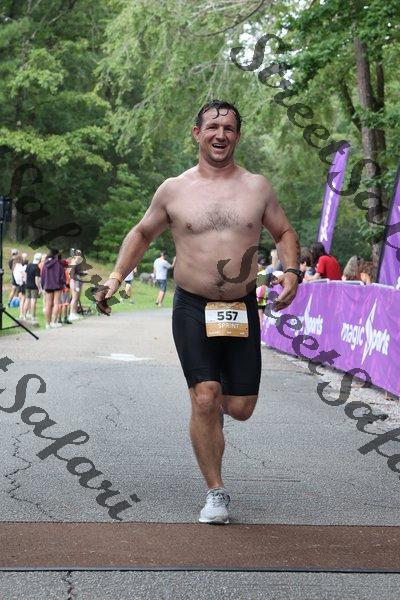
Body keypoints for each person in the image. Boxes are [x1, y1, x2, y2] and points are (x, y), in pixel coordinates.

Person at [95, 99, 300, 525]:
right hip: (192, 305)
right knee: (205, 396)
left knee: (240, 407)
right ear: (197, 133)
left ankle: (213, 411)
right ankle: (216, 491)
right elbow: (142, 233)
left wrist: (293, 272)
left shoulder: (257, 187)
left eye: (228, 128)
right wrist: (115, 277)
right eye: (212, 127)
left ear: (237, 136)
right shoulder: (174, 190)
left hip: (241, 307)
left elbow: (283, 231)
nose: (220, 134)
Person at [41, 248, 65, 329]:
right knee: (56, 304)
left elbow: (42, 275)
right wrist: (63, 284)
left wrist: (43, 286)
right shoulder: (59, 263)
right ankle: (53, 322)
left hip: (47, 285)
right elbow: (62, 276)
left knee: (48, 304)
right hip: (57, 285)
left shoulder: (45, 263)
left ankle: (47, 324)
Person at [22, 252, 42, 324]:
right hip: (34, 287)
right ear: (39, 260)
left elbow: (25, 275)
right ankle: (32, 316)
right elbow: (37, 280)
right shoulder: (37, 268)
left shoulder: (29, 265)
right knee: (33, 301)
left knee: (27, 300)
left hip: (27, 285)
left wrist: (26, 283)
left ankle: (24, 316)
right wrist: (39, 288)